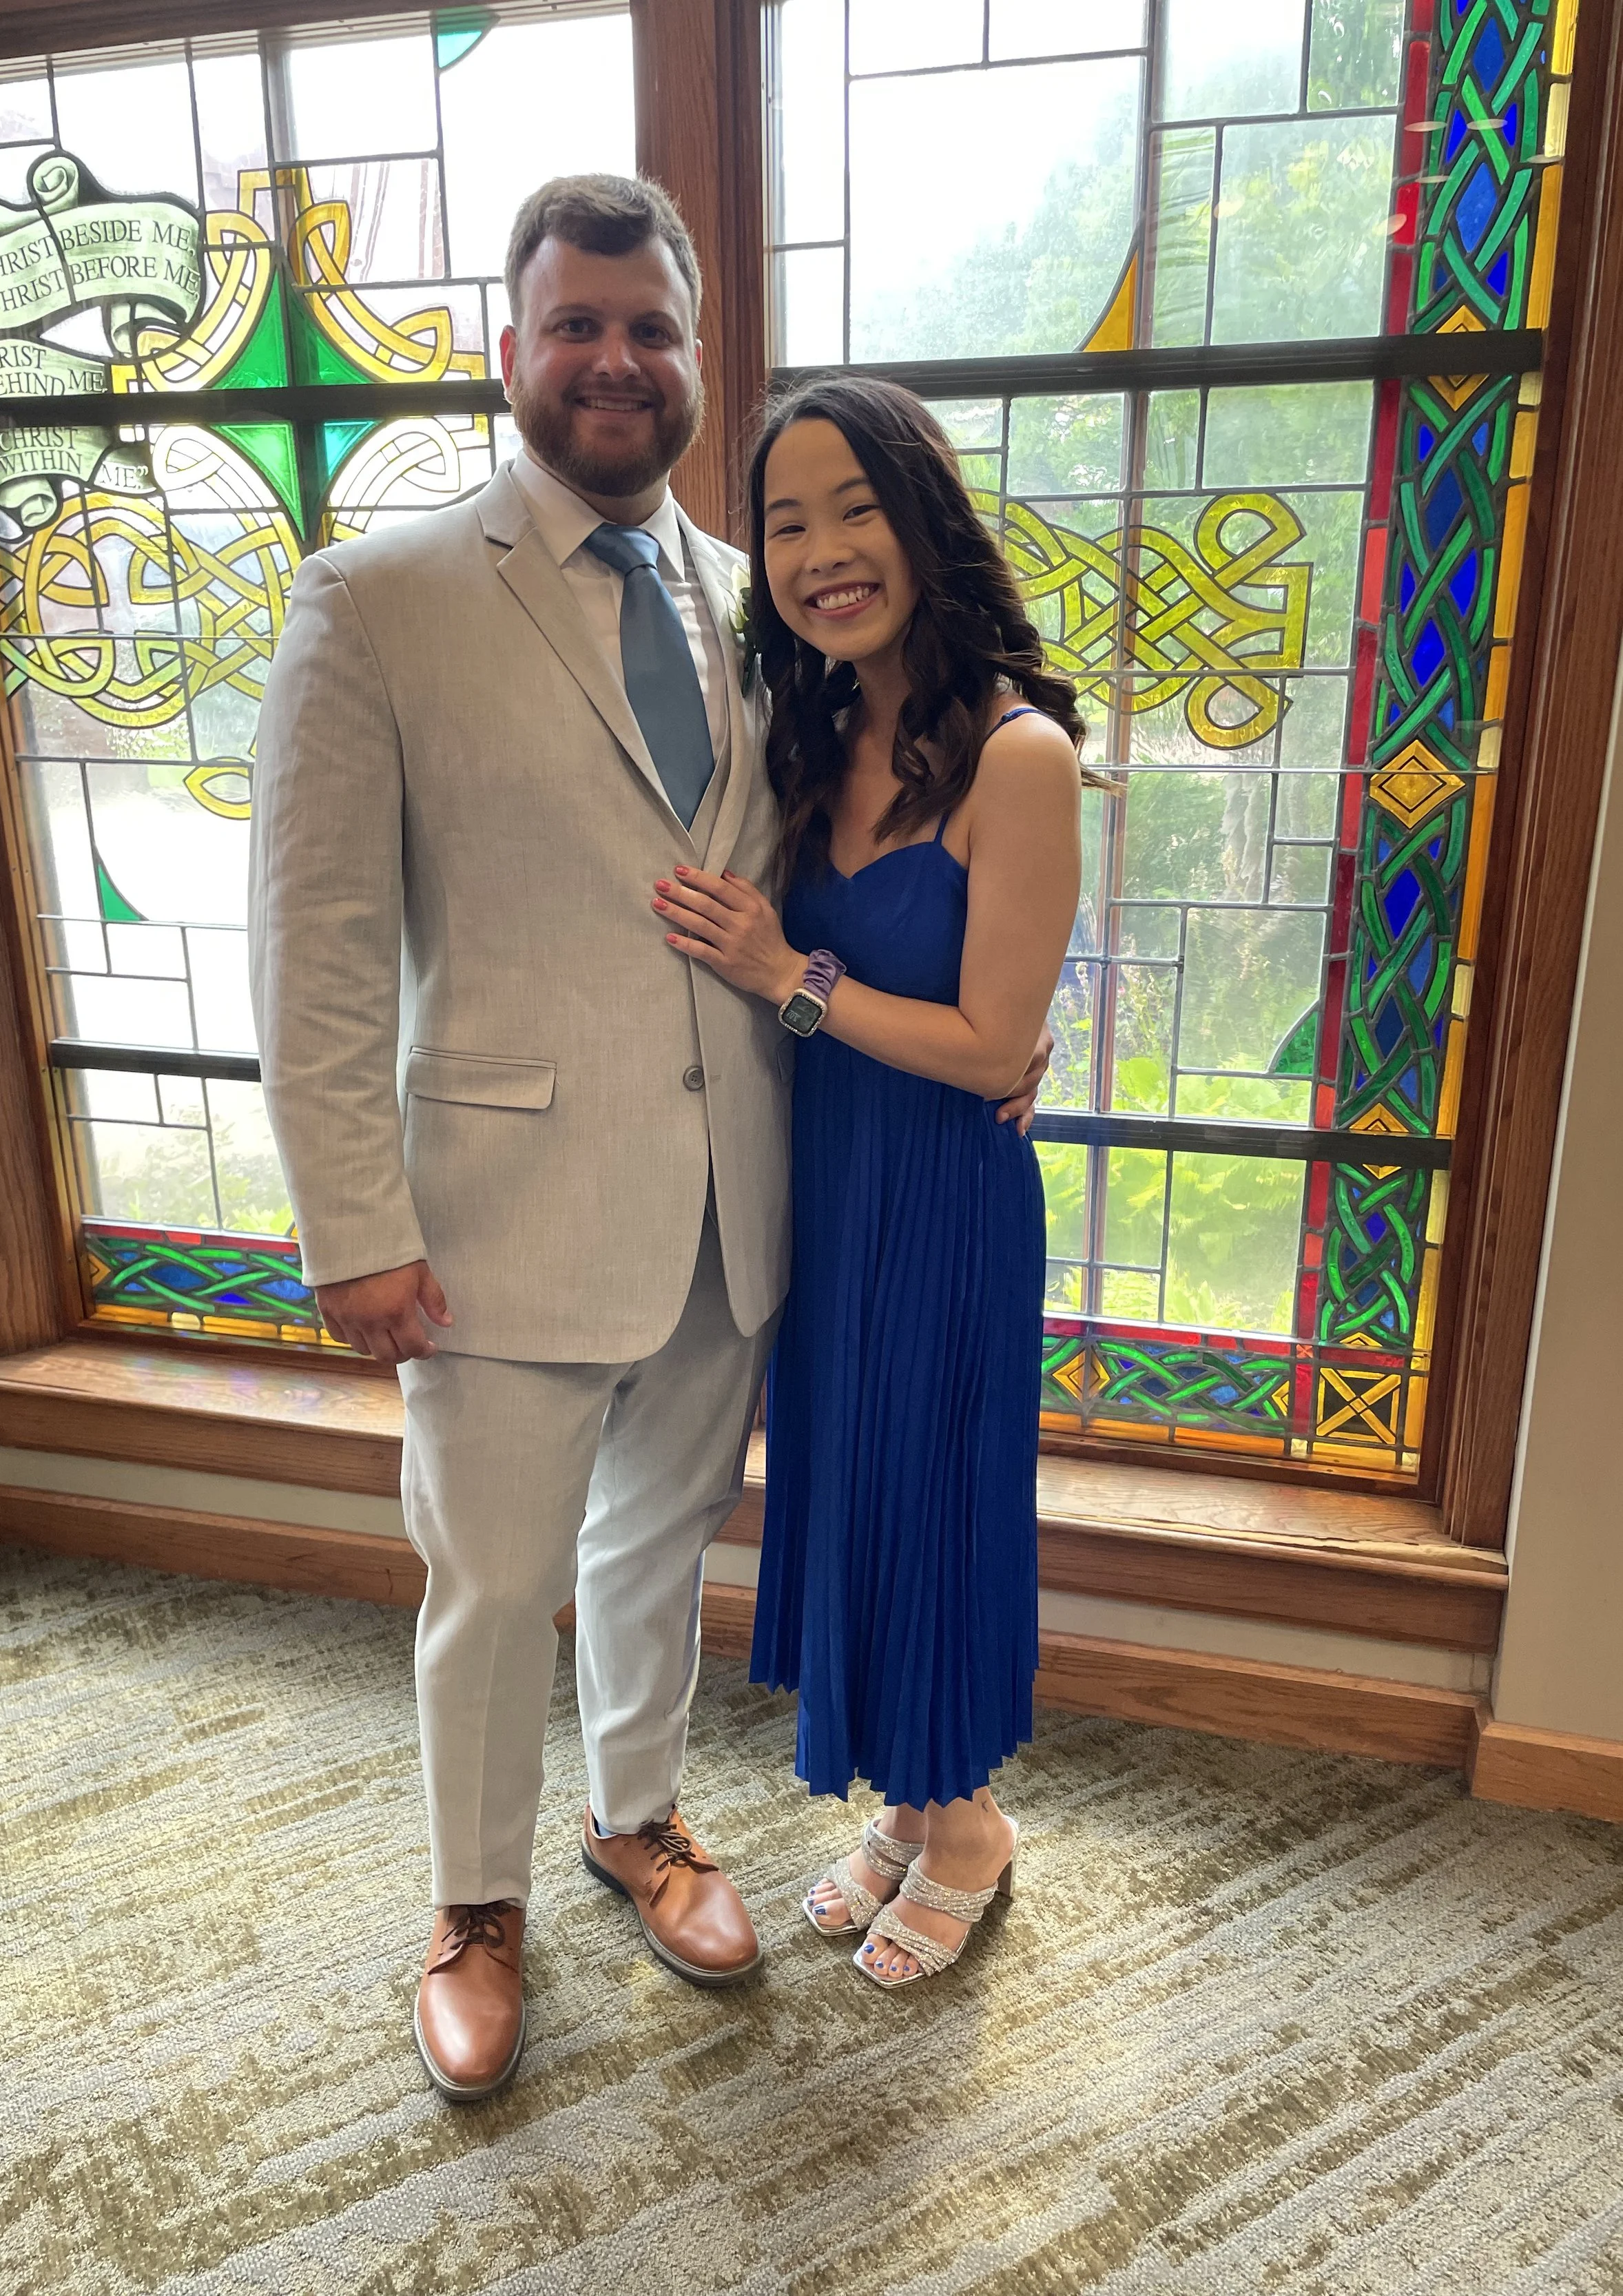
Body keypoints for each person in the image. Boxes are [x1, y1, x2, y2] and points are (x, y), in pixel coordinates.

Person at [252, 174, 1052, 2098]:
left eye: (654, 326)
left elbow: (913, 834)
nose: (618, 358)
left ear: (699, 354)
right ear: (509, 345)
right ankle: (472, 1904)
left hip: (741, 1208)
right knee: (489, 1580)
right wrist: (350, 1221)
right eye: (578, 322)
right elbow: (319, 943)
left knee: (654, 1553)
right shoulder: (380, 599)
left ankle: (635, 1819)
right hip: (497, 1216)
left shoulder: (760, 597)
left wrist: (993, 1041)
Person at [649, 376, 1085, 1989]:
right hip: (825, 1193)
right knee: (846, 1495)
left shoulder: (1017, 757)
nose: (823, 550)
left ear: (923, 521)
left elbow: (992, 1046)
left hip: (944, 1204)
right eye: (784, 521)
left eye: (855, 510)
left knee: (931, 1500)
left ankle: (966, 1822)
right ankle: (911, 1802)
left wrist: (791, 978)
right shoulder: (807, 726)